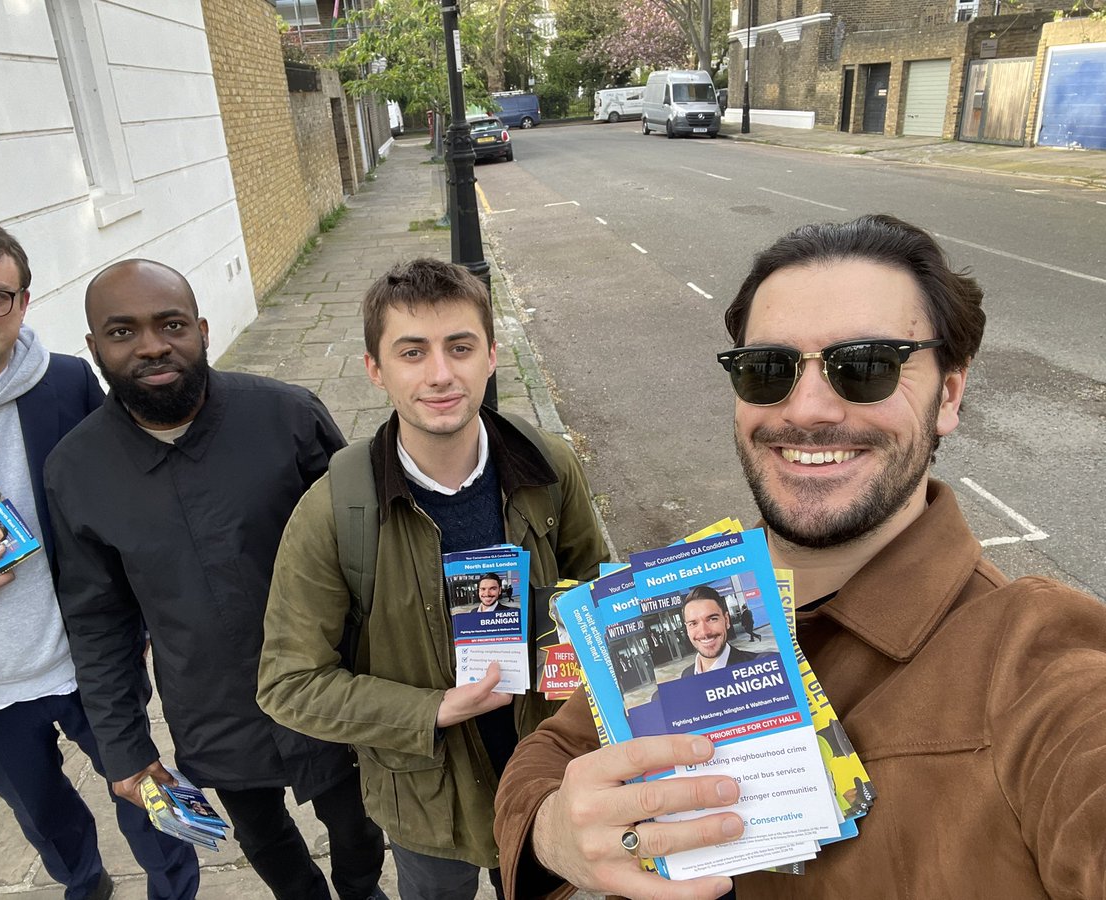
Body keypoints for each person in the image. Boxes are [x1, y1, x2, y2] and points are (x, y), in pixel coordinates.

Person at [493, 214, 1106, 900]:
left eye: (867, 366)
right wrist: (553, 834)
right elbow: (552, 753)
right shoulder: (690, 589)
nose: (808, 408)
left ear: (949, 394)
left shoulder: (1036, 667)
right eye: (768, 370)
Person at [256, 258, 610, 900]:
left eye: (460, 347)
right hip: (423, 798)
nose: (441, 374)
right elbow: (288, 684)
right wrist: (433, 708)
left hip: (545, 773)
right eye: (412, 352)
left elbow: (594, 588)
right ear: (375, 369)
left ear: (492, 356)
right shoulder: (334, 510)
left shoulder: (548, 468)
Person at [44, 259, 386, 900]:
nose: (151, 345)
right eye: (123, 332)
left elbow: (365, 554)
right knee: (263, 840)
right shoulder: (76, 470)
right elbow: (97, 618)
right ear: (94, 348)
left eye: (170, 323)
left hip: (328, 684)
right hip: (210, 706)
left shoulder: (286, 416)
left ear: (200, 329)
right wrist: (123, 746)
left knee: (359, 825)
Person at [0, 209, 197, 900]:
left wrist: (152, 610)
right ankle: (82, 880)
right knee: (43, 815)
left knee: (154, 799)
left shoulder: (66, 383)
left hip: (92, 664)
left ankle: (178, 882)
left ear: (23, 303)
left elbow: (126, 498)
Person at [678, 586, 769, 678]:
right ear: (687, 630)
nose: (704, 632)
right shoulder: (686, 675)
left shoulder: (763, 666)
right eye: (693, 623)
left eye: (712, 619)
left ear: (726, 620)